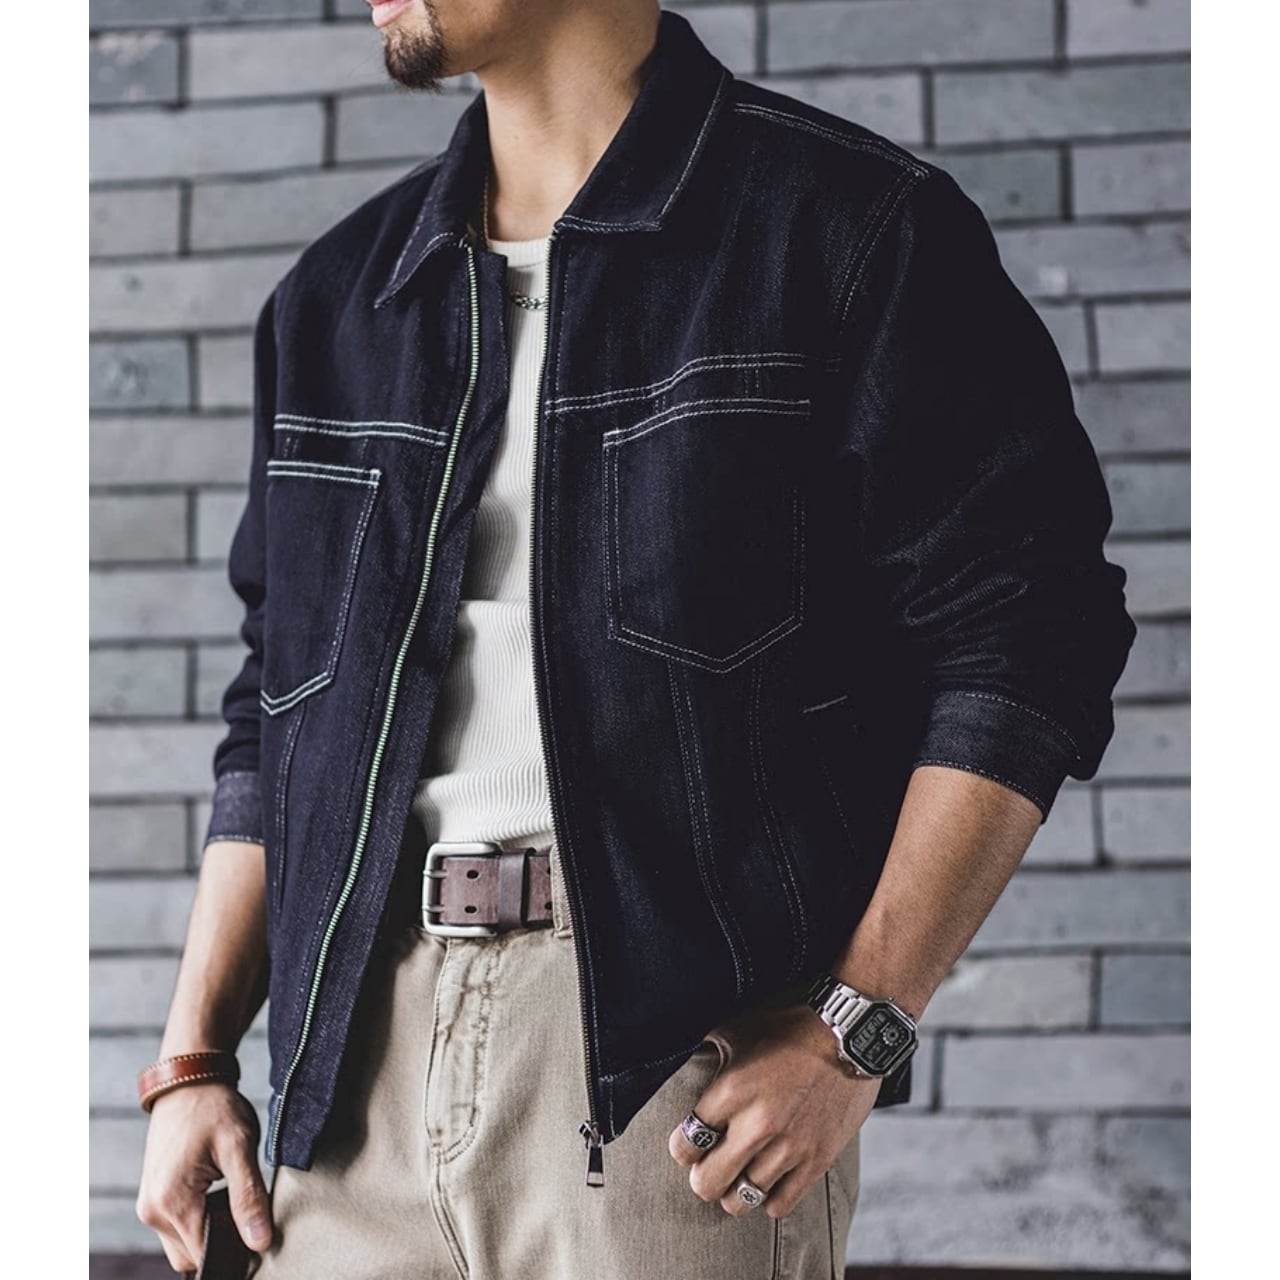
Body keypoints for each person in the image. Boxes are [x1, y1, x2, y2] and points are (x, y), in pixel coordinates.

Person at [134, 2, 1137, 1276]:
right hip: (348, 1079)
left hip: (667, 1085)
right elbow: (275, 705)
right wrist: (192, 1058)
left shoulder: (849, 232)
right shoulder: (337, 303)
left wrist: (855, 1025)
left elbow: (1024, 637)